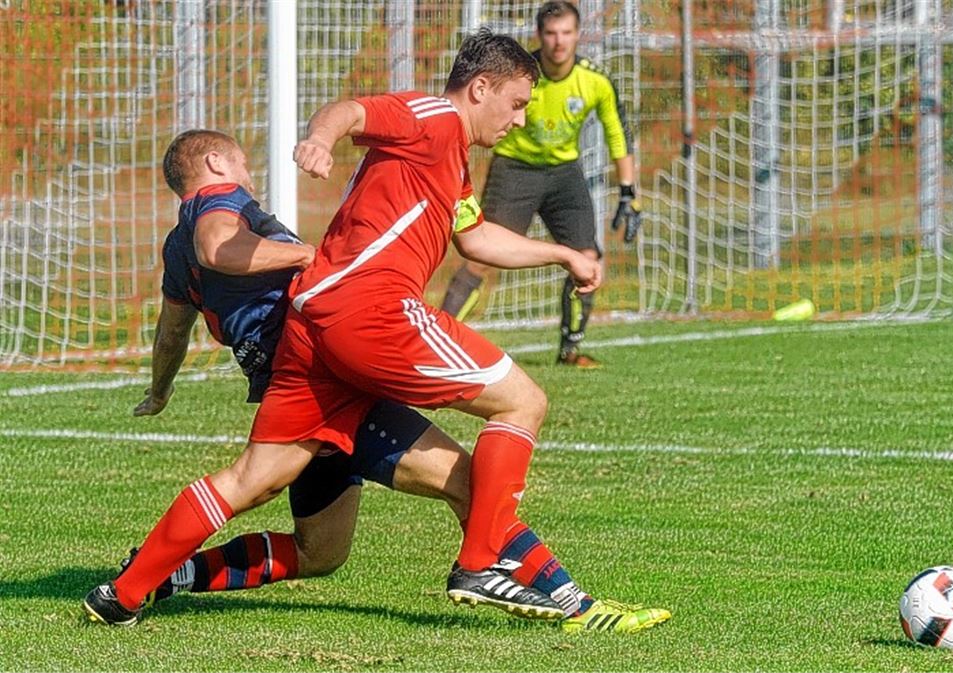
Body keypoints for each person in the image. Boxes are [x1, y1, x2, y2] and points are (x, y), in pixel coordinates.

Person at [83, 116, 668, 631]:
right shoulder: (221, 204)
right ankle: (574, 602)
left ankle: (149, 580)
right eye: (238, 158)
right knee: (471, 479)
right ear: (214, 162)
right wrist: (310, 257)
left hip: (301, 379)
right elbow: (220, 249)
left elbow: (171, 329)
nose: (247, 171)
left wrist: (159, 390)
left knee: (318, 551)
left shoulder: (173, 246)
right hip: (328, 374)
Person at [440, 1, 642, 369]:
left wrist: (628, 191)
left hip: (565, 174)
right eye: (550, 33)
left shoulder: (595, 80)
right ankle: (440, 340)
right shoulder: (523, 77)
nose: (558, 41)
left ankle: (570, 350)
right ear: (540, 36)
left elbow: (617, 131)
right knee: (480, 257)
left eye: (566, 32)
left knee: (588, 258)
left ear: (578, 35)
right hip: (515, 169)